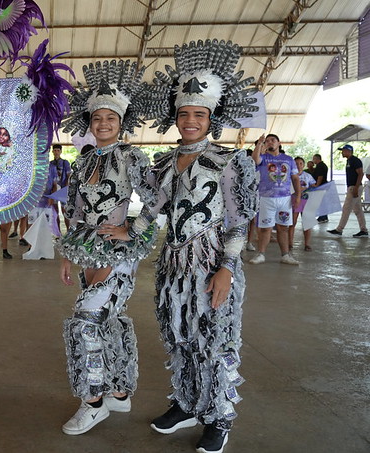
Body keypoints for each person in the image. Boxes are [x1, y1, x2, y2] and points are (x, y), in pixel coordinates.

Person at [120, 39, 259, 453]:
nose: (191, 121)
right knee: (178, 334)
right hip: (173, 267)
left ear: (211, 117)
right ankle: (185, 403)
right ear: (176, 117)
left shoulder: (230, 161)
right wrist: (127, 232)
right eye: (185, 114)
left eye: (199, 114)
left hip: (212, 262)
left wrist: (227, 269)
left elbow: (238, 220)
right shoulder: (165, 162)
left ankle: (218, 417)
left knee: (215, 341)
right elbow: (153, 209)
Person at [56, 60, 156, 435]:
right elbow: (74, 210)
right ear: (89, 122)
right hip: (86, 248)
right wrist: (68, 253)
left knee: (85, 318)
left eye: (110, 118)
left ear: (121, 122)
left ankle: (93, 401)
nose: (103, 124)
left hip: (118, 252)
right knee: (108, 320)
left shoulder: (132, 157)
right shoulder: (81, 161)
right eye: (97, 118)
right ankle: (119, 390)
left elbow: (155, 198)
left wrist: (133, 229)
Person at [248, 134, 301, 265]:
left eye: (273, 140)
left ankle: (285, 255)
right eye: (267, 141)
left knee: (283, 227)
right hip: (266, 198)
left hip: (285, 199)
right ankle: (260, 254)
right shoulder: (263, 158)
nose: (270, 142)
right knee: (266, 228)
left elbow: (295, 178)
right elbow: (254, 159)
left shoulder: (288, 159)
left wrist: (298, 195)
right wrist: (260, 143)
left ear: (279, 143)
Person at [327, 144, 368, 237]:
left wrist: (356, 188)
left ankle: (339, 229)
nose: (342, 152)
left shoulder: (355, 160)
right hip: (353, 187)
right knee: (358, 210)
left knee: (346, 208)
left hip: (354, 187)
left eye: (344, 150)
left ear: (349, 151)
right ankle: (364, 230)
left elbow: (360, 174)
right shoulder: (349, 161)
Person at [289, 156, 316, 251]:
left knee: (307, 224)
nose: (298, 165)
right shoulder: (290, 176)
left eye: (300, 163)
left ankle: (307, 244)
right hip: (294, 200)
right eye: (296, 164)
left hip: (306, 201)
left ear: (304, 165)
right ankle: (290, 243)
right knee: (292, 223)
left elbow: (314, 186)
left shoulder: (308, 176)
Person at [311, 153, 329, 222]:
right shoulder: (321, 165)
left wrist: (317, 186)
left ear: (317, 159)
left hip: (321, 186)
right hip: (322, 185)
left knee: (321, 202)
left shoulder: (320, 166)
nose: (313, 160)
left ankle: (323, 217)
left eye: (314, 159)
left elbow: (320, 176)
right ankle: (323, 216)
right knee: (322, 202)